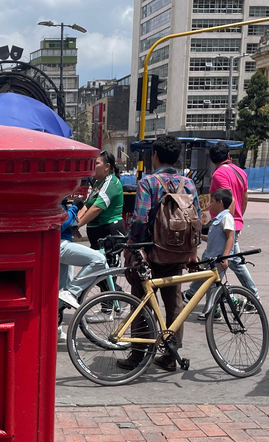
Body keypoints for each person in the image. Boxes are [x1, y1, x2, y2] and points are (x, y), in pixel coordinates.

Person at [117, 136, 201, 373]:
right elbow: (197, 221)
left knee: (141, 301)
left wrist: (133, 246)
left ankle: (138, 355)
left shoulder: (149, 183)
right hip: (178, 253)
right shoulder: (188, 184)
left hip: (151, 253)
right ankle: (171, 354)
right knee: (174, 302)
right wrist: (192, 252)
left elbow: (141, 219)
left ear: (155, 155)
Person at [185, 142, 260, 301]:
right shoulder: (240, 172)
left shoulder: (219, 175)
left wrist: (229, 223)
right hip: (234, 222)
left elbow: (230, 200)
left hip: (225, 225)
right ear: (228, 156)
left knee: (229, 263)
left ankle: (249, 298)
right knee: (211, 260)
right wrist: (239, 219)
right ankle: (193, 293)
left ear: (212, 160)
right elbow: (244, 198)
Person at [76, 150, 125, 316]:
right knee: (98, 270)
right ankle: (115, 301)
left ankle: (111, 306)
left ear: (107, 166)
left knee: (106, 271)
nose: (93, 167)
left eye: (96, 163)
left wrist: (77, 226)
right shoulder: (97, 184)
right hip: (97, 233)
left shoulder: (111, 182)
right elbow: (87, 205)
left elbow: (97, 207)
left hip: (110, 231)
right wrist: (75, 222)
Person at [57, 197, 110, 342]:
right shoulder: (58, 199)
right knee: (99, 260)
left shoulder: (61, 200)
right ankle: (72, 292)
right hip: (59, 245)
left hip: (61, 243)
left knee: (61, 289)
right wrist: (74, 208)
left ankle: (56, 330)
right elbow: (61, 225)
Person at [191, 189, 236, 319]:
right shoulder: (218, 218)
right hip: (211, 258)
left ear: (220, 202)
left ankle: (211, 311)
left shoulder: (226, 217)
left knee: (212, 286)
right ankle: (227, 304)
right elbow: (213, 238)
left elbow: (230, 238)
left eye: (212, 201)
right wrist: (200, 236)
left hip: (220, 259)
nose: (210, 204)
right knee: (212, 285)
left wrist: (225, 257)